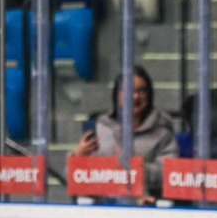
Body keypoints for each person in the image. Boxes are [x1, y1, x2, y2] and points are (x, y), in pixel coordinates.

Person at [72, 64, 179, 203]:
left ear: (149, 94)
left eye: (141, 91)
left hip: (143, 205)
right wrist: (78, 158)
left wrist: (135, 167)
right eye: (129, 90)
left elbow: (170, 174)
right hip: (102, 207)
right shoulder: (101, 126)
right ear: (117, 94)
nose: (135, 96)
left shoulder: (162, 130)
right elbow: (74, 177)